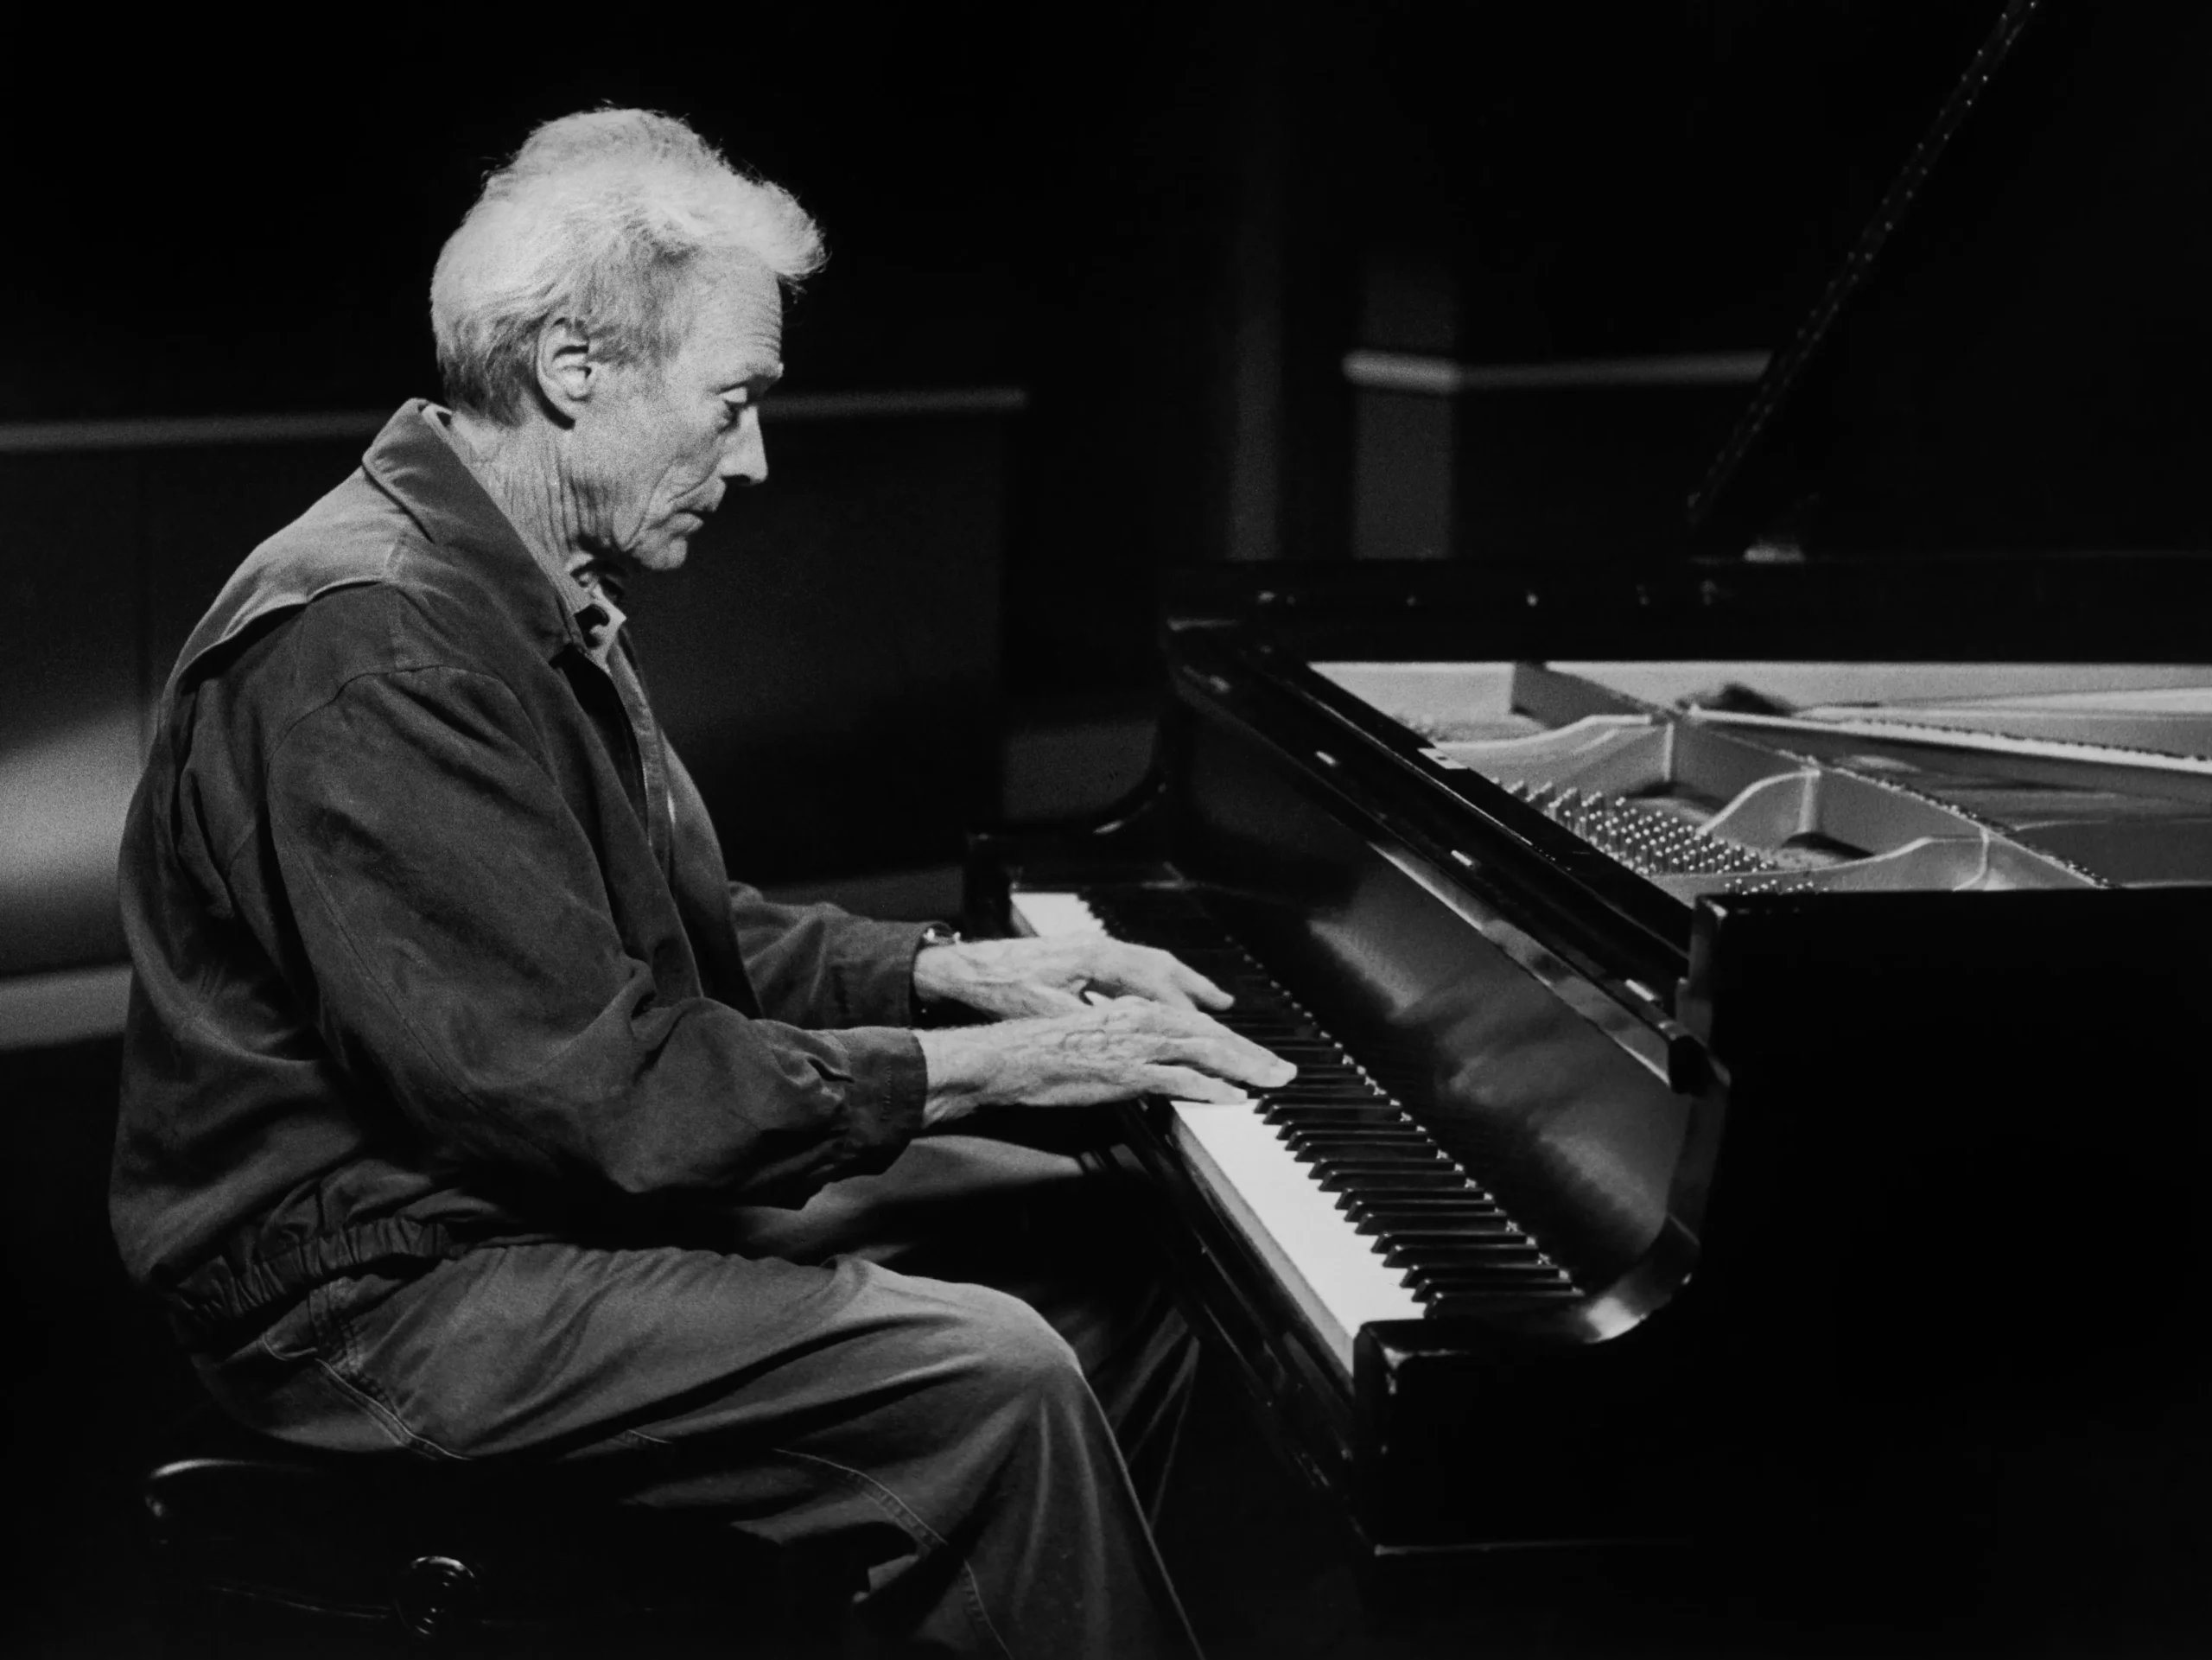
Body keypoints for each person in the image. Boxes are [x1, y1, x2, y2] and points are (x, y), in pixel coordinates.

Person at [111, 108, 1294, 1658]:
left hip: (490, 1209)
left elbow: (649, 943)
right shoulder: (378, 642)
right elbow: (599, 1094)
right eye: (732, 401)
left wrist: (951, 975)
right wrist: (996, 1068)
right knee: (990, 1375)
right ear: (575, 371)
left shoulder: (499, 580)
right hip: (371, 1291)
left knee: (1115, 1239)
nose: (753, 458)